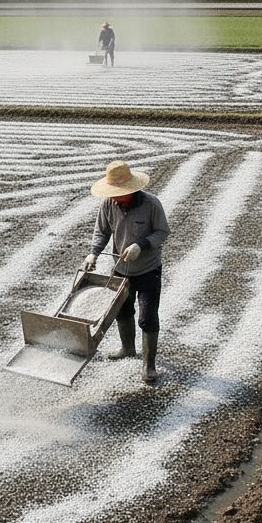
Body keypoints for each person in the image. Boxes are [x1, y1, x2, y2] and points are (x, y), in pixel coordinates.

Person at [81, 160, 170, 383]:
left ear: (131, 189)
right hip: (121, 270)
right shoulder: (108, 204)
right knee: (122, 311)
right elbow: (101, 232)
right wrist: (93, 253)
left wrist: (141, 245)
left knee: (147, 316)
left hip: (148, 270)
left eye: (119, 193)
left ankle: (149, 366)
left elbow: (162, 232)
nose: (115, 197)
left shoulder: (151, 204)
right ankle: (127, 349)